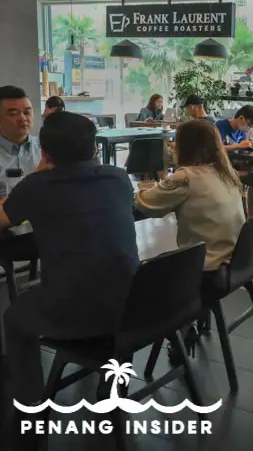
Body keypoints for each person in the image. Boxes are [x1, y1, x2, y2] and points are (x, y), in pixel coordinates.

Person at [0, 112, 139, 450]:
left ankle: (30, 406)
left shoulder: (36, 186)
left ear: (44, 153)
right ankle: (112, 384)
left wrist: (34, 176)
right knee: (106, 276)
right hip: (136, 311)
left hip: (75, 317)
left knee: (14, 316)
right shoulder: (120, 178)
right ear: (94, 147)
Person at [135, 118, 246, 349]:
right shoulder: (228, 174)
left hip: (205, 271)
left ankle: (182, 327)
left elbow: (145, 204)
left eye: (175, 141)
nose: (173, 146)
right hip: (233, 264)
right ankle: (188, 323)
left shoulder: (186, 178)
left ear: (185, 145)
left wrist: (138, 190)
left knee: (141, 278)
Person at [0, 86, 42, 284]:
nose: (23, 118)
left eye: (27, 112)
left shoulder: (45, 148)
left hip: (42, 226)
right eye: (13, 113)